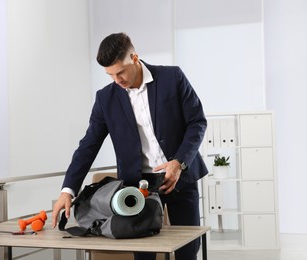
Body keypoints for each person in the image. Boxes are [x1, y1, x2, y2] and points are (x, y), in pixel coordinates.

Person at [52, 32, 208, 260]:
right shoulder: (106, 98)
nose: (118, 80)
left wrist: (179, 162)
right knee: (144, 255)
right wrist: (68, 190)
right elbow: (88, 145)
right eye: (110, 75)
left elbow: (197, 122)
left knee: (187, 251)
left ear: (134, 58)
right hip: (137, 186)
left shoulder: (172, 77)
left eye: (121, 72)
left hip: (180, 176)